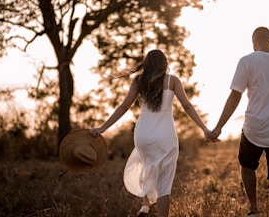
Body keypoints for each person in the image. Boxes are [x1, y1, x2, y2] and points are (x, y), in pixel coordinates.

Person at [90, 49, 214, 217]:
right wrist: (205, 129)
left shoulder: (139, 81)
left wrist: (103, 128)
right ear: (165, 64)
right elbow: (187, 106)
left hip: (143, 135)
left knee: (147, 167)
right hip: (165, 136)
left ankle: (145, 207)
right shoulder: (172, 81)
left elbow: (123, 107)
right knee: (164, 183)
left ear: (146, 64)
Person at [210, 27, 269, 217]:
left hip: (253, 129)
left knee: (247, 167)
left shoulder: (247, 61)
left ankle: (254, 210)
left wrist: (219, 126)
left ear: (254, 43)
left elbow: (235, 96)